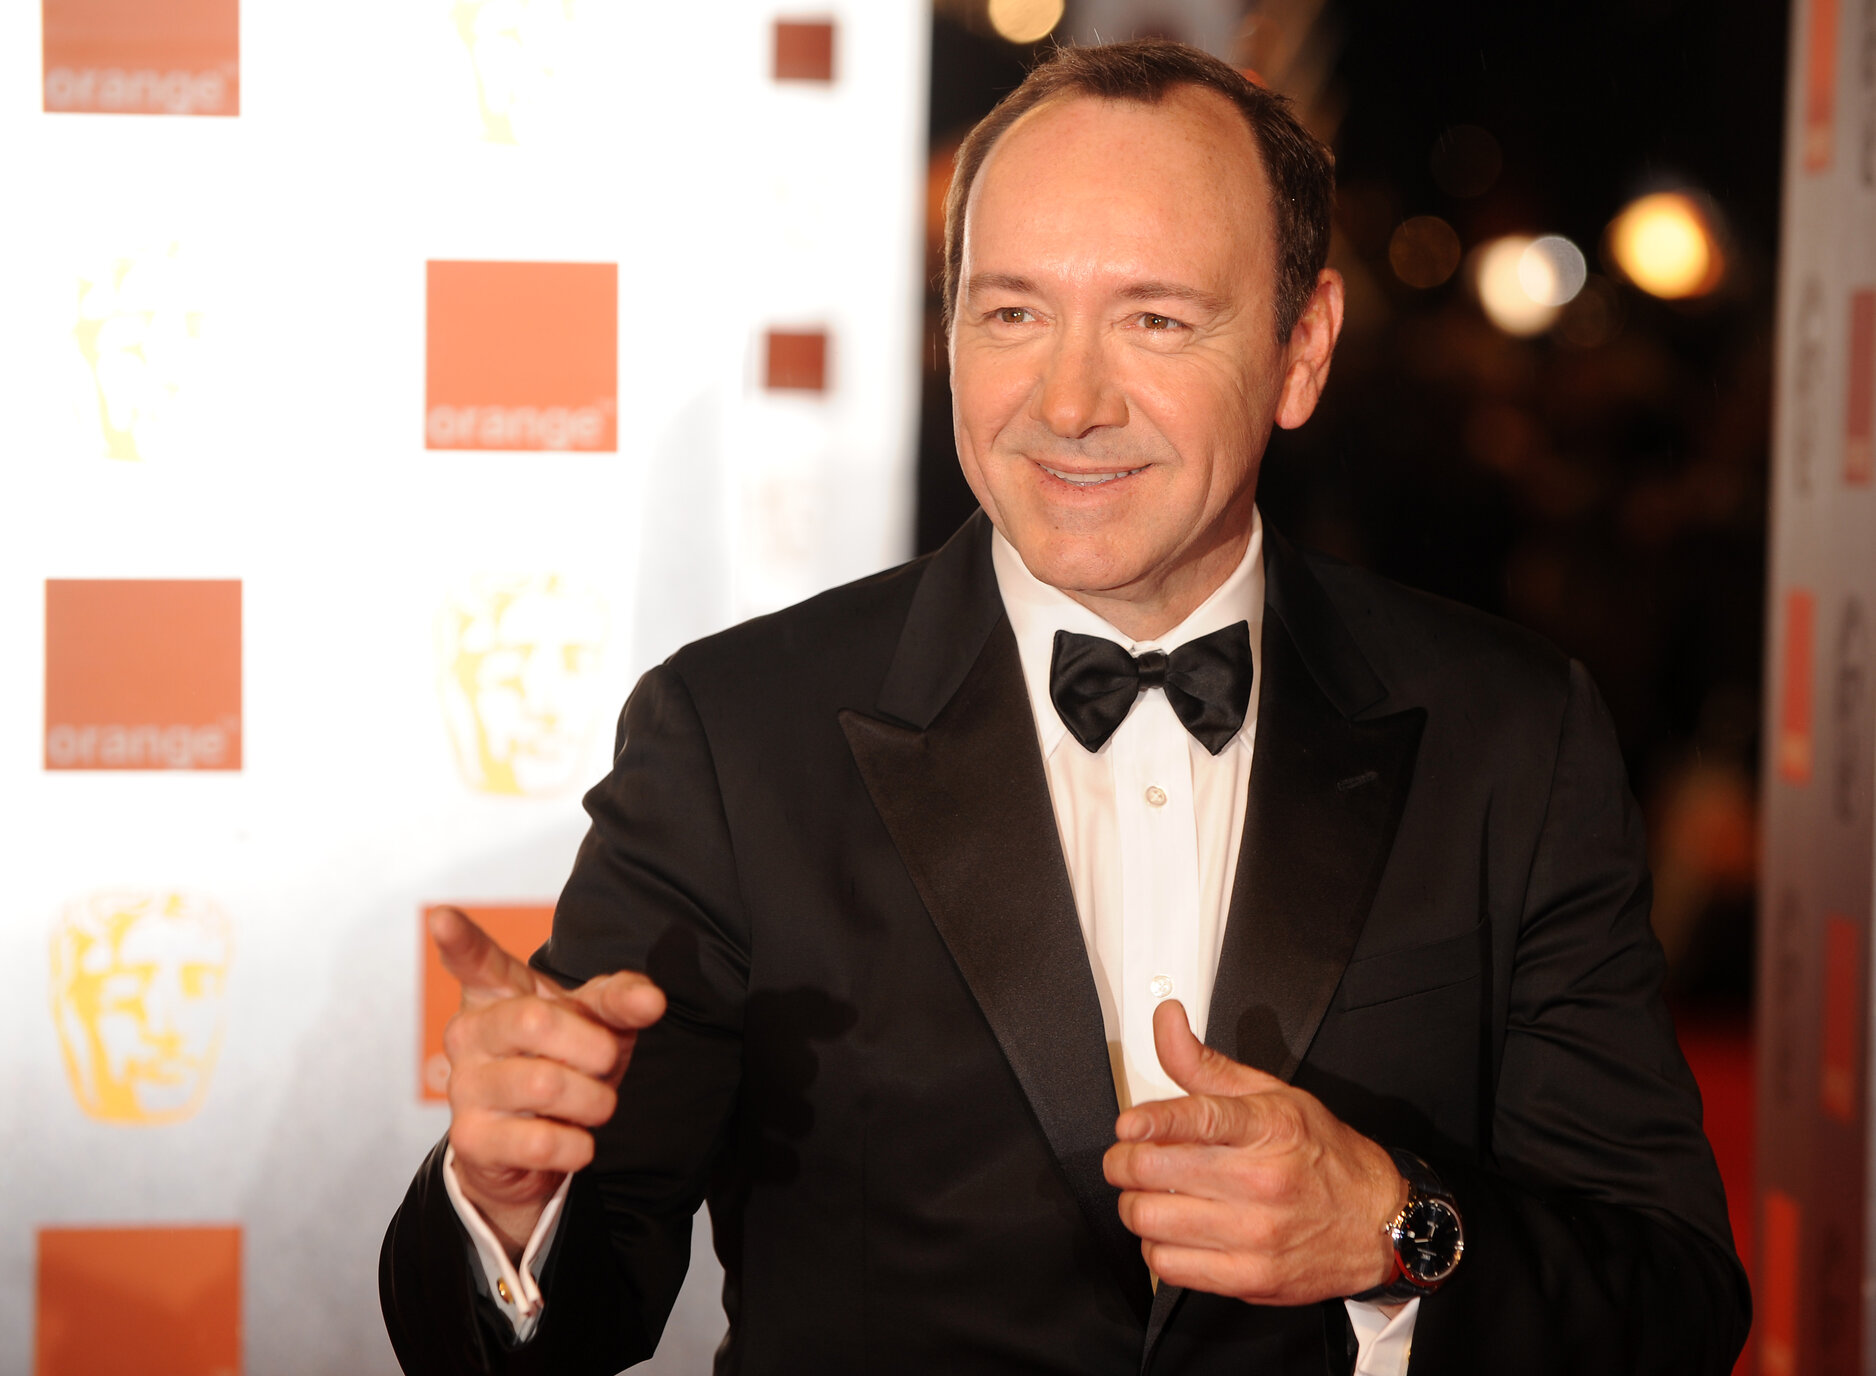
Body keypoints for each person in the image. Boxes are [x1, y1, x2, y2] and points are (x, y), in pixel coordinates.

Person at [381, 39, 1749, 1375]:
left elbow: (1671, 1296)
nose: (1069, 401)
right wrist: (506, 1197)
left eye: (1156, 319)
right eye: (1012, 313)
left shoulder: (1509, 734)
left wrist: (1392, 1231)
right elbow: (545, 1327)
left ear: (1301, 347)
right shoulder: (736, 740)